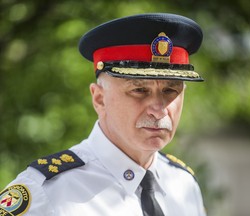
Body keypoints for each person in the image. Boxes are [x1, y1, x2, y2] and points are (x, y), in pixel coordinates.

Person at [0, 13, 206, 216]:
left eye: (170, 91)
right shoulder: (45, 193)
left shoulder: (184, 185)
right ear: (99, 99)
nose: (159, 109)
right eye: (139, 90)